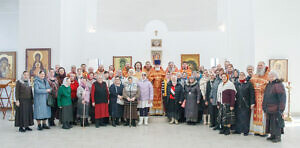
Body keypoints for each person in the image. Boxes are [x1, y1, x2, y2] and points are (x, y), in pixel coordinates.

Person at [263, 71, 286, 143]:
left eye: (270, 76)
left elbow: (282, 98)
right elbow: (266, 96)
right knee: (270, 123)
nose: (269, 78)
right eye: (269, 76)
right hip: (269, 108)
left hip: (276, 108)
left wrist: (281, 110)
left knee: (276, 122)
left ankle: (278, 137)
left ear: (274, 77)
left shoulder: (279, 85)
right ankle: (272, 135)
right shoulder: (269, 84)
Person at [250, 61, 270, 136]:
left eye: (261, 65)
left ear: (264, 66)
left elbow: (268, 87)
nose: (259, 67)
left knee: (263, 115)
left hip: (263, 99)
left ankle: (263, 131)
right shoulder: (254, 76)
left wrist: (261, 88)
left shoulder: (267, 76)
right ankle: (256, 130)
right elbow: (250, 86)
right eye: (258, 65)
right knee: (254, 115)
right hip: (255, 99)